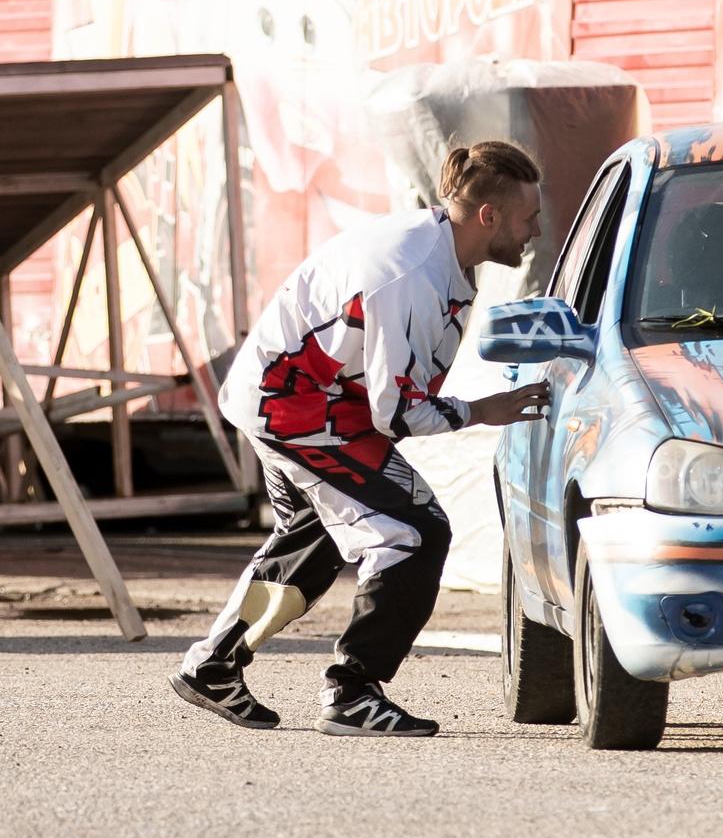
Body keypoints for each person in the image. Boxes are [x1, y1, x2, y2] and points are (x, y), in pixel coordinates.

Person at [172, 141, 550, 737]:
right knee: (415, 532)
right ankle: (352, 693)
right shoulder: (409, 276)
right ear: (489, 217)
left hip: (301, 398)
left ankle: (213, 665)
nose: (536, 230)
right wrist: (483, 410)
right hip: (294, 407)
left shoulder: (438, 252)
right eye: (529, 217)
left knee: (314, 534)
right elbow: (396, 414)